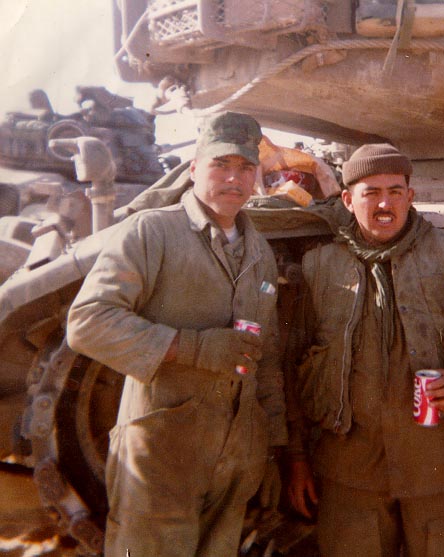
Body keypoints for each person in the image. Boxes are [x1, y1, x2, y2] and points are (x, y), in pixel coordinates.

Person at [284, 143, 444, 556]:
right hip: (350, 471)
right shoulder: (320, 266)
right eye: (371, 193)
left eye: (395, 192)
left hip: (438, 467)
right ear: (347, 200)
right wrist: (297, 458)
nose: (385, 204)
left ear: (410, 196)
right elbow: (294, 366)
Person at [66, 111, 287, 557]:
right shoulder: (153, 231)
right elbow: (88, 322)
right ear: (193, 168)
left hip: (235, 457)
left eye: (246, 167)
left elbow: (266, 358)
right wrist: (193, 348)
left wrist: (272, 449)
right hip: (162, 455)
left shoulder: (259, 252)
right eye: (220, 165)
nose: (234, 178)